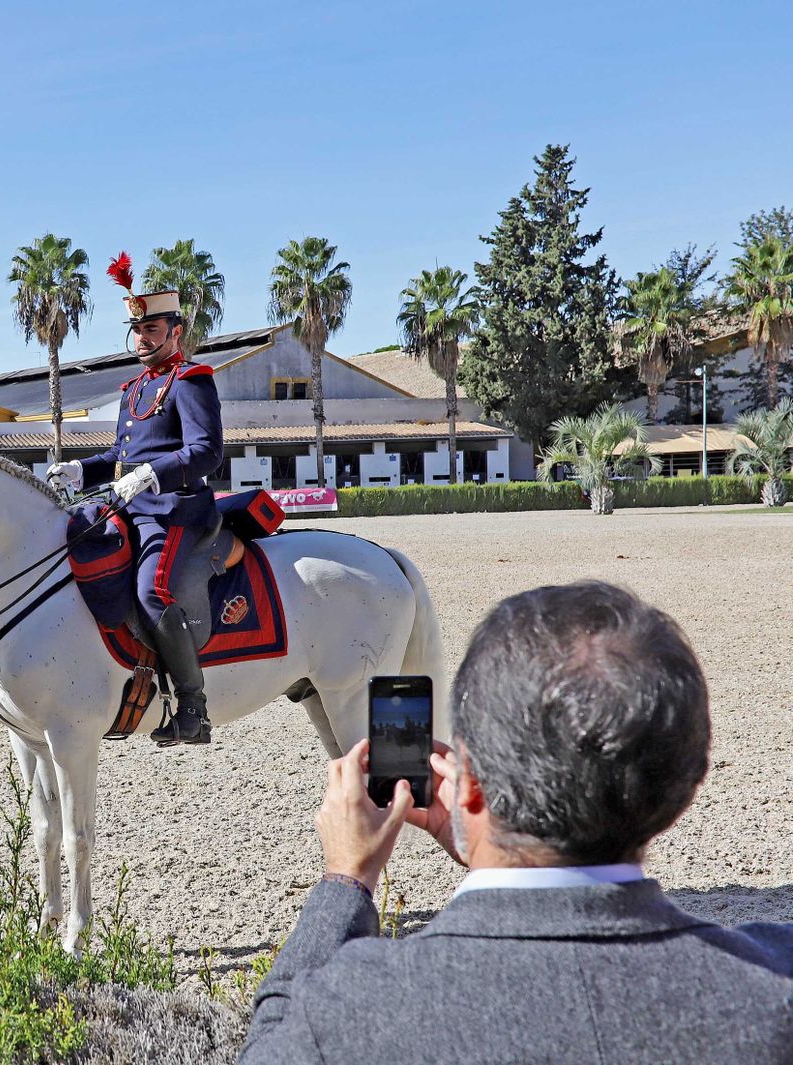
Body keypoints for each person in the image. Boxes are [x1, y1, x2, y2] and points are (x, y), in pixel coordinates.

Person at [238, 581, 793, 1064]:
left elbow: (272, 1044)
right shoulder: (775, 985)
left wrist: (346, 880)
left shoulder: (354, 1006)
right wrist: (496, 844)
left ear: (469, 779)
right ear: (685, 784)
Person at [46, 257, 222, 746]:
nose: (142, 337)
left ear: (176, 330)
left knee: (151, 593)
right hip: (130, 507)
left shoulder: (191, 379)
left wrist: (150, 475)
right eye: (137, 328)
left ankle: (193, 706)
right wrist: (84, 469)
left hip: (178, 511)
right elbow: (123, 457)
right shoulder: (135, 388)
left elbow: (207, 452)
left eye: (152, 327)